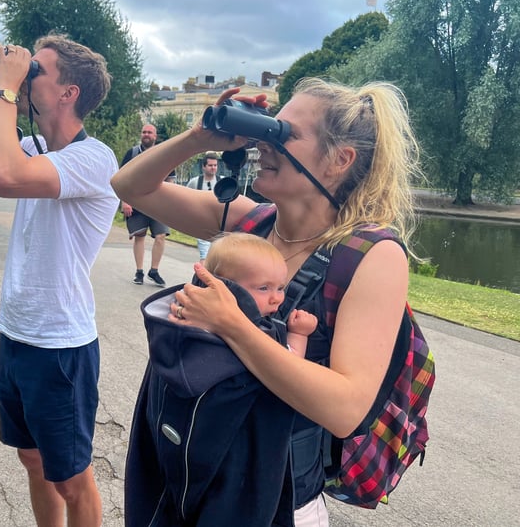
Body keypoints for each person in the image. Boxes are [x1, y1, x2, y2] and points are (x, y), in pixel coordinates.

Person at [112, 77, 423, 525]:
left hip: (274, 499)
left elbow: (346, 409)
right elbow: (130, 186)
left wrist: (232, 325)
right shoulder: (248, 221)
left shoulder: (372, 256)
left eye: (283, 134)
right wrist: (201, 137)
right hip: (190, 470)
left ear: (340, 160)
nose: (263, 144)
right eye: (267, 129)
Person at [0, 34, 117, 527]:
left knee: (72, 478)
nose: (23, 72)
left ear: (69, 93)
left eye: (36, 69)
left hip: (60, 344)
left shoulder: (95, 159)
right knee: (32, 460)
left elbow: (0, 176)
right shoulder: (31, 148)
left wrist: (6, 91)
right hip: (16, 332)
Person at [203, 232, 316, 357]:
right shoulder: (262, 331)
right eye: (263, 288)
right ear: (223, 284)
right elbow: (290, 363)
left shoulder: (193, 307)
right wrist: (299, 335)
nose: (277, 299)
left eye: (280, 288)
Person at [120, 124, 175, 287]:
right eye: (144, 132)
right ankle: (139, 271)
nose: (146, 134)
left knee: (161, 236)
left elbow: (171, 180)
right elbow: (121, 178)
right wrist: (125, 201)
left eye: (149, 132)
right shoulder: (132, 153)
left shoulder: (164, 153)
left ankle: (154, 271)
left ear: (155, 136)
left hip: (158, 203)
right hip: (137, 201)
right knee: (139, 236)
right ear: (140, 134)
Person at [184, 151, 220, 260]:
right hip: (202, 224)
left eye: (215, 165)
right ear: (204, 167)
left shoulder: (222, 181)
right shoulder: (195, 182)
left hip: (219, 225)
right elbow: (186, 199)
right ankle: (202, 275)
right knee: (204, 255)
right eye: (210, 165)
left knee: (216, 256)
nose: (213, 168)